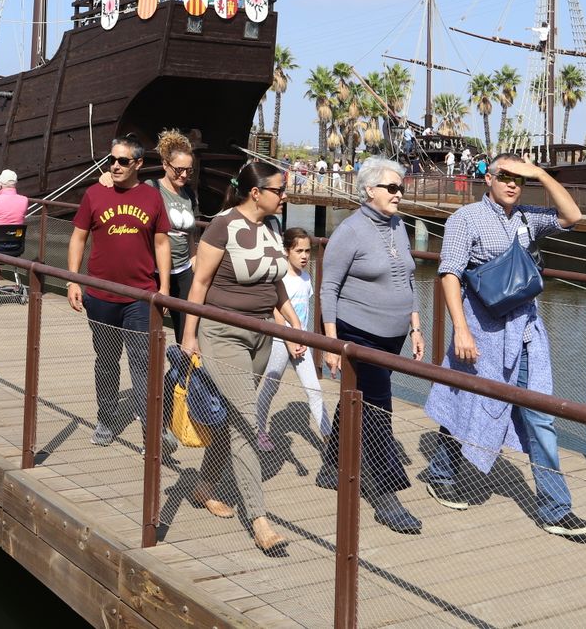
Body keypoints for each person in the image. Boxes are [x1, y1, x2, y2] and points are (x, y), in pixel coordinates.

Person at [423, 153, 586, 537]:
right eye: (504, 176)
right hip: (482, 333)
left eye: (519, 179)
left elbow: (573, 217)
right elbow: (449, 274)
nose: (512, 184)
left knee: (540, 414)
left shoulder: (527, 218)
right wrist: (461, 330)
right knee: (467, 401)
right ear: (488, 178)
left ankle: (556, 508)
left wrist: (539, 173)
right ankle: (441, 470)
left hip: (526, 335)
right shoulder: (465, 218)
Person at [179, 159, 297, 554]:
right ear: (256, 192)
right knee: (248, 420)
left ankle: (205, 485)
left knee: (233, 416)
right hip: (223, 332)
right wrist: (190, 334)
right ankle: (260, 519)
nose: (285, 196)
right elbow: (200, 281)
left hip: (262, 333)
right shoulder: (223, 225)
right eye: (279, 190)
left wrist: (294, 326)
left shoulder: (273, 227)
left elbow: (276, 282)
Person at [316, 156, 426, 535]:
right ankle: (386, 492)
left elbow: (408, 277)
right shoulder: (350, 231)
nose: (399, 194)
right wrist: (330, 342)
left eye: (401, 188)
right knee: (379, 407)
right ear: (369, 191)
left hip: (392, 334)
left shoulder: (398, 226)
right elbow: (328, 287)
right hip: (357, 332)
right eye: (392, 188)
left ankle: (331, 467)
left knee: (358, 400)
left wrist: (415, 325)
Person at [66, 137, 172, 450]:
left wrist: (164, 287)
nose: (115, 166)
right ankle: (107, 418)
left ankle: (151, 429)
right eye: (112, 160)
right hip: (100, 295)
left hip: (140, 296)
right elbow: (78, 237)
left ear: (138, 163)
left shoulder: (152, 198)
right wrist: (73, 280)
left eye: (123, 161)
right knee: (107, 360)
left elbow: (162, 242)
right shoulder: (95, 194)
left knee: (143, 361)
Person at [255, 227, 331, 449]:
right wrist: (288, 339)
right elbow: (276, 312)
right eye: (299, 251)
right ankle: (259, 431)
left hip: (302, 343)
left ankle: (328, 439)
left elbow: (304, 312)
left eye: (308, 251)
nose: (305, 256)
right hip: (280, 341)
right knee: (270, 386)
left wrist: (302, 340)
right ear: (287, 251)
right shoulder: (280, 278)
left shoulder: (306, 278)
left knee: (314, 390)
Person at [154, 129, 200, 340]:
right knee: (151, 331)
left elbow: (190, 235)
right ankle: (151, 373)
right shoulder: (152, 189)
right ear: (165, 164)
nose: (183, 175)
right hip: (154, 272)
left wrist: (194, 264)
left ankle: (180, 372)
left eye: (188, 171)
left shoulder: (188, 194)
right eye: (179, 170)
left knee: (188, 331)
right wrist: (108, 178)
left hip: (183, 270)